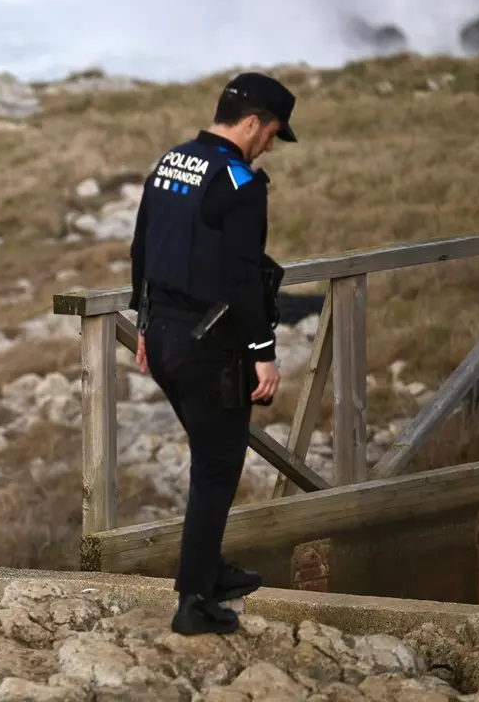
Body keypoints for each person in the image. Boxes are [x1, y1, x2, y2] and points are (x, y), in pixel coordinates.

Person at [129, 71, 295, 636]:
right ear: (252, 123)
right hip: (211, 346)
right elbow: (243, 276)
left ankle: (209, 570)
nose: (269, 144)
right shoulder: (242, 182)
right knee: (218, 468)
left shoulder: (171, 161)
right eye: (271, 133)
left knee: (211, 455)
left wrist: (144, 326)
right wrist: (264, 353)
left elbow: (140, 247)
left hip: (166, 341)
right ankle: (194, 601)